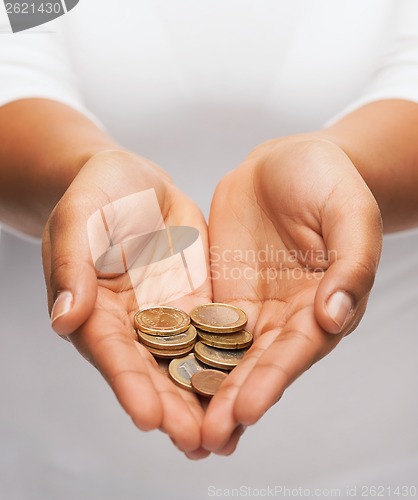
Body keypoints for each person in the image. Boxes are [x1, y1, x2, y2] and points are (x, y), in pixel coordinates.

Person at [1, 0, 417, 496]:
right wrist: (81, 173)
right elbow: (13, 62)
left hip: (373, 445)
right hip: (59, 452)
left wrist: (346, 168)